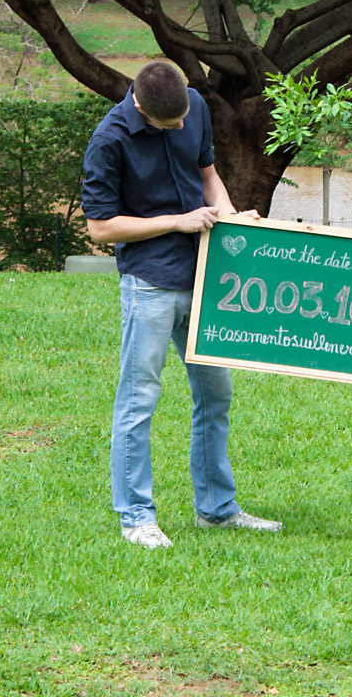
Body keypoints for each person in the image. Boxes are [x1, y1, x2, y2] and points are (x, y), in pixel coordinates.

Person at [81, 60, 282, 550]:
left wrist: (232, 219)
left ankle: (216, 510)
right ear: (139, 106)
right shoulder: (109, 141)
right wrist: (177, 221)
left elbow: (208, 176)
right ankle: (137, 518)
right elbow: (101, 228)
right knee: (138, 402)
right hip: (150, 282)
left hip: (204, 275)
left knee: (216, 395)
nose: (179, 126)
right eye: (168, 123)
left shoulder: (192, 109)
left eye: (182, 118)